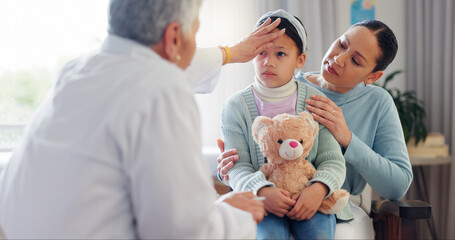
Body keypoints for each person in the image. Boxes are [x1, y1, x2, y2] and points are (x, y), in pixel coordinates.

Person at [0, 1, 288, 238]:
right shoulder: (162, 88)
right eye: (196, 31)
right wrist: (235, 216)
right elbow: (184, 233)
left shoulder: (77, 71)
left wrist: (230, 53)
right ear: (174, 36)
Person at [217, 19, 413, 238]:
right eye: (342, 44)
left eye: (356, 60)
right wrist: (229, 168)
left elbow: (398, 185)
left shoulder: (378, 102)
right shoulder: (282, 81)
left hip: (333, 203)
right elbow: (244, 157)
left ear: (372, 76)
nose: (338, 59)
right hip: (268, 201)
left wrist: (347, 139)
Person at [220, 9, 346, 239]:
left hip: (310, 202)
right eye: (261, 52)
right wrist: (262, 191)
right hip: (262, 202)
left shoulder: (316, 102)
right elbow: (238, 166)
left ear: (300, 60)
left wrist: (318, 190)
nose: (268, 62)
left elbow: (332, 160)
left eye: (280, 54)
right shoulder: (235, 107)